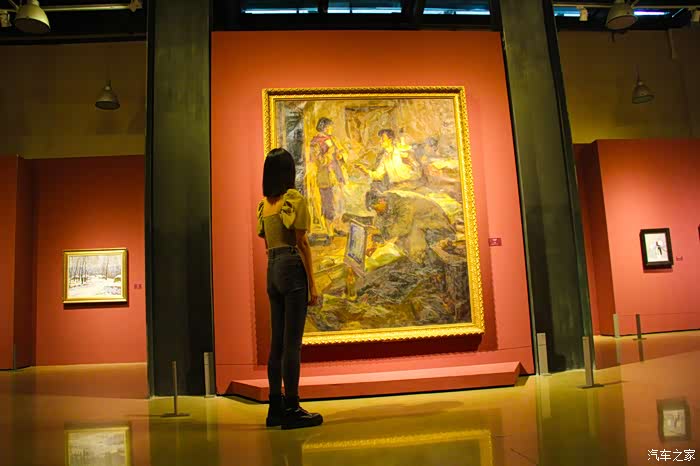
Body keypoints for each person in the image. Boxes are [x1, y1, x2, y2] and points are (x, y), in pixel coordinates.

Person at [256, 148, 323, 430]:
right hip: (291, 266)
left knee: (277, 343)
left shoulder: (265, 205)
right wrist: (313, 284)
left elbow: (266, 244)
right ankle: (293, 407)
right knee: (292, 343)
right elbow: (302, 242)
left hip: (272, 268)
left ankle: (275, 408)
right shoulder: (293, 199)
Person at [365, 188, 455, 263]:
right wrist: (373, 237)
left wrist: (380, 231)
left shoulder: (403, 202)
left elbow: (403, 227)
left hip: (435, 222)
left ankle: (418, 263)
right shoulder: (385, 200)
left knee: (410, 238)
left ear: (381, 201)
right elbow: (379, 220)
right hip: (416, 219)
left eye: (376, 208)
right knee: (398, 240)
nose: (376, 212)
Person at [309, 117, 348, 236]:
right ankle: (329, 231)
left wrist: (341, 155)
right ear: (324, 127)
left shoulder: (333, 139)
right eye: (330, 126)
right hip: (326, 177)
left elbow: (342, 151)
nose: (331, 128)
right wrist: (329, 153)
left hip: (337, 175)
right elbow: (318, 162)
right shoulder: (315, 142)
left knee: (339, 203)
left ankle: (337, 226)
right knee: (328, 203)